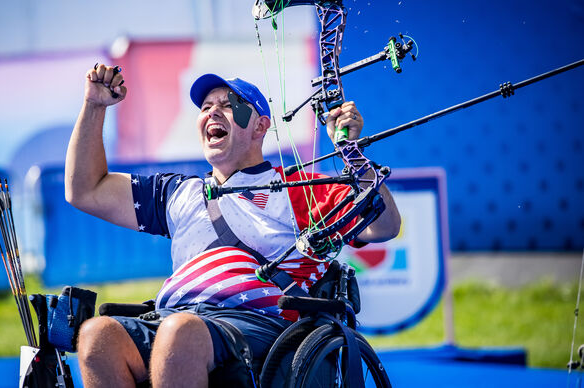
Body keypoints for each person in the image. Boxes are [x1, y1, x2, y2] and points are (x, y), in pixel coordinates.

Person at [65, 63, 401, 387]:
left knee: (181, 332)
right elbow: (85, 190)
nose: (213, 112)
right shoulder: (180, 192)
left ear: (259, 126)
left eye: (228, 105)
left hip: (263, 329)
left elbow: (384, 225)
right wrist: (94, 105)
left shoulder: (299, 189)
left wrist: (350, 151)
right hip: (175, 320)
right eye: (206, 106)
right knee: (97, 335)